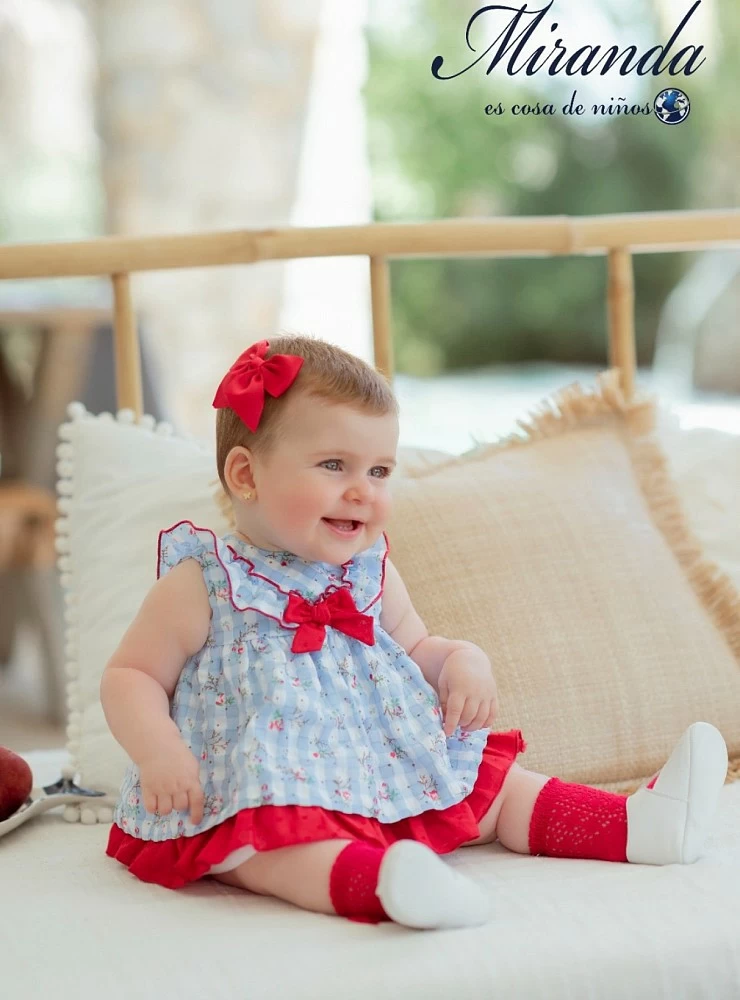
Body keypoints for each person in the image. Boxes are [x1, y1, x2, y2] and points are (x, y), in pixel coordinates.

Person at [101, 335, 729, 931]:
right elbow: (130, 676)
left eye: (379, 471)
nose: (361, 491)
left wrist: (462, 660)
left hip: (379, 766)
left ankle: (632, 825)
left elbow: (418, 647)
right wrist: (160, 753)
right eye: (333, 465)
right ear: (245, 476)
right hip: (260, 782)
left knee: (492, 790)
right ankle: (383, 886)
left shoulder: (370, 570)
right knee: (268, 851)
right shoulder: (205, 581)